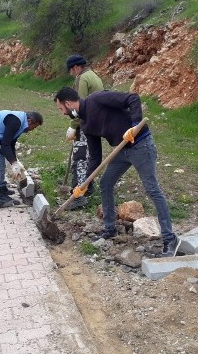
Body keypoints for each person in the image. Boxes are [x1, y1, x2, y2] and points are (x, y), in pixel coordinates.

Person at [53, 87, 180, 257]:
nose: (62, 113)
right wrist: (85, 183)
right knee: (105, 183)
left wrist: (134, 125)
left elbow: (133, 99)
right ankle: (109, 229)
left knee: (152, 189)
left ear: (68, 104)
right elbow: (95, 157)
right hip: (121, 151)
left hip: (140, 144)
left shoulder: (97, 99)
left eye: (61, 109)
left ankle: (169, 238)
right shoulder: (85, 124)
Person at [64, 54, 104, 210]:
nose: (71, 74)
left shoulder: (82, 78)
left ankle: (78, 194)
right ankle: (89, 187)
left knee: (80, 157)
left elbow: (77, 105)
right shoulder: (93, 75)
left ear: (75, 67)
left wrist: (73, 125)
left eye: (70, 71)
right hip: (96, 122)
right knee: (91, 156)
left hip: (85, 123)